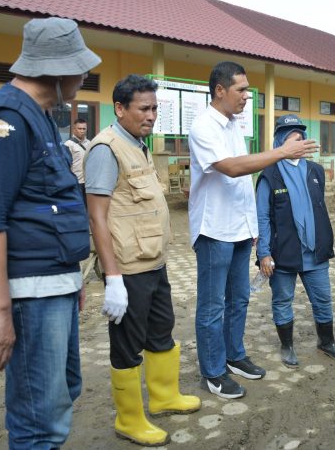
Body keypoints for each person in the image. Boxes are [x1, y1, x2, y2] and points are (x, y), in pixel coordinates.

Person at [0, 17, 99, 449]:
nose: (85, 75)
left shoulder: (40, 116)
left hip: (50, 286)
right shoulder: (5, 121)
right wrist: (1, 313)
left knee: (62, 396)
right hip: (25, 296)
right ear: (57, 71)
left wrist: (70, 279)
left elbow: (46, 206)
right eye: (80, 67)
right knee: (39, 422)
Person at [188, 61, 317, 399]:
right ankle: (213, 372)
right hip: (214, 229)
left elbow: (244, 180)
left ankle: (234, 355)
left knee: (240, 299)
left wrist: (253, 227)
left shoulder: (233, 125)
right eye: (241, 90)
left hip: (239, 229)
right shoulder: (204, 126)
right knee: (212, 305)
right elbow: (231, 168)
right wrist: (281, 152)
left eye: (247, 89)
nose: (247, 96)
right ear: (220, 90)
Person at [85, 75, 200, 446]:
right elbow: (97, 216)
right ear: (120, 108)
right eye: (144, 109)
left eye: (155, 109)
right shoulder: (107, 149)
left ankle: (165, 397)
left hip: (154, 261)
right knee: (127, 344)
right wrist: (113, 277)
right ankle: (130, 419)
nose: (151, 116)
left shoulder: (138, 144)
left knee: (161, 330)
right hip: (128, 268)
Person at [255, 114, 335, 369]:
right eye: (290, 139)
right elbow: (262, 217)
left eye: (300, 138)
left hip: (315, 251)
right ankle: (287, 346)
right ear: (280, 142)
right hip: (283, 252)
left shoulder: (316, 171)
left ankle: (326, 342)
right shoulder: (269, 174)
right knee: (282, 300)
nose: (298, 143)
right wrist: (264, 253)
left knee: (323, 299)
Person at [64, 118, 90, 204]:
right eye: (79, 128)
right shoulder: (68, 144)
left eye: (84, 129)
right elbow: (65, 165)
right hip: (75, 183)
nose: (82, 131)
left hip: (88, 183)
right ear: (74, 129)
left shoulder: (89, 143)